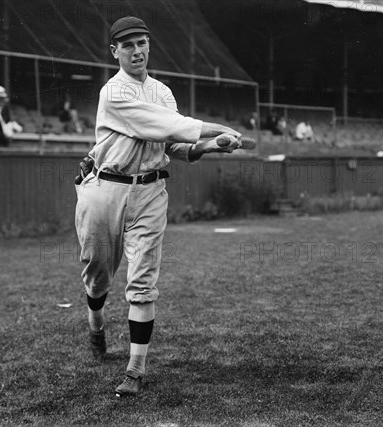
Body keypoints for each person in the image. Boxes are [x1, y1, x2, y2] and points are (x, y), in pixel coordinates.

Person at [74, 16, 253, 398]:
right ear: (115, 52)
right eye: (127, 45)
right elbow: (162, 125)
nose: (136, 50)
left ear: (149, 45)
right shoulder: (114, 92)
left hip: (151, 192)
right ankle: (96, 323)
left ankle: (135, 370)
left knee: (142, 283)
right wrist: (216, 127)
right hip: (106, 188)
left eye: (142, 43)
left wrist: (212, 144)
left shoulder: (163, 92)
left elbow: (174, 146)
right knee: (97, 273)